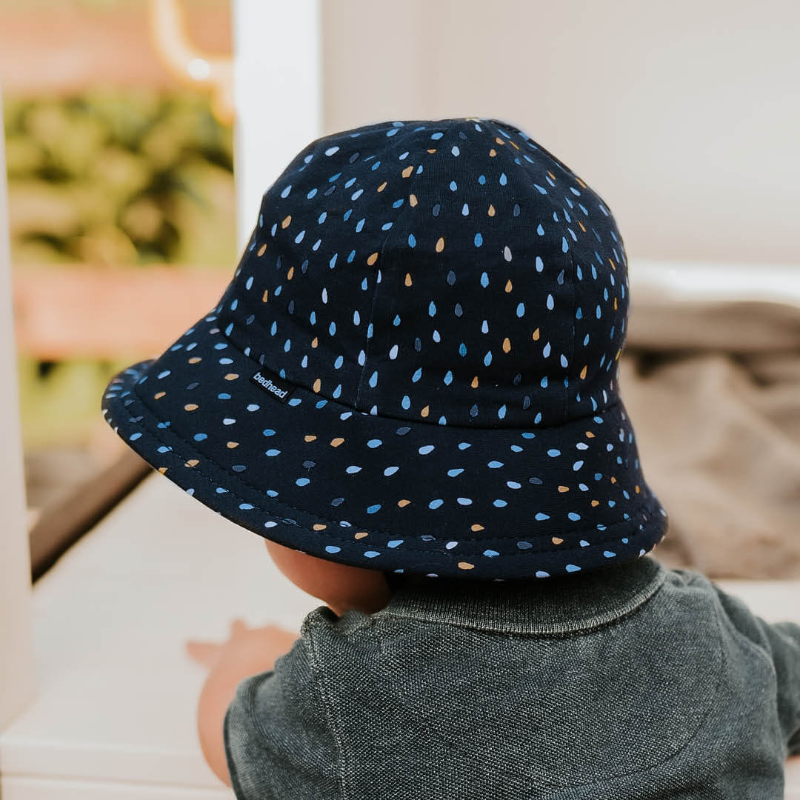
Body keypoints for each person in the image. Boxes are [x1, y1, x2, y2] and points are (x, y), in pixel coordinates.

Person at [102, 118, 800, 798]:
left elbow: (232, 738)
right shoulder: (713, 633)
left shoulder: (345, 704)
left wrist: (243, 655)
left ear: (324, 504)